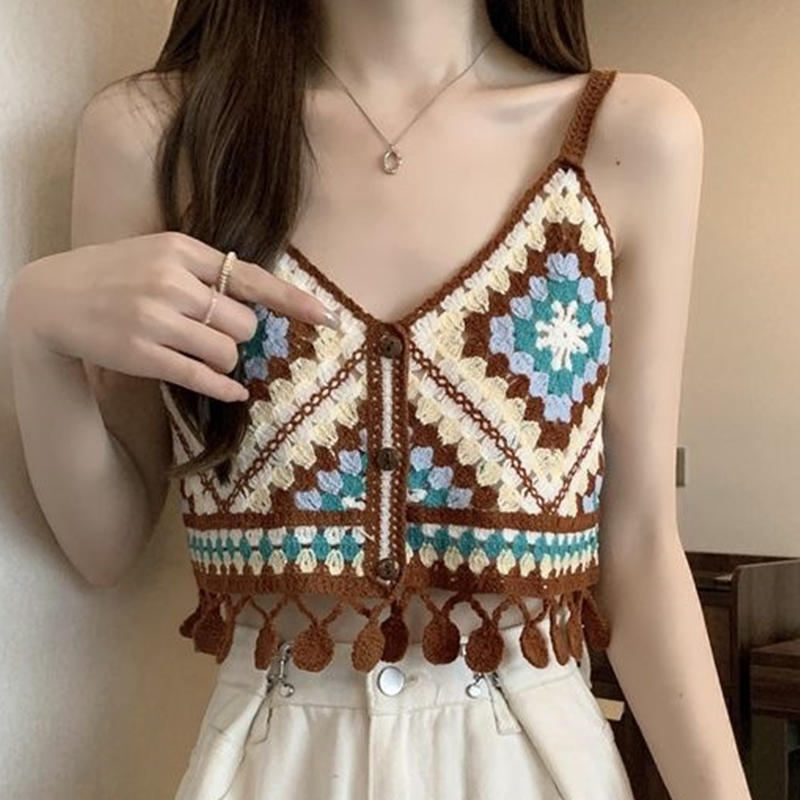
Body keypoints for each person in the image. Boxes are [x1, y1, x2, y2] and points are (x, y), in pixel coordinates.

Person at [5, 1, 754, 799]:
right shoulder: (157, 134)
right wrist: (33, 327)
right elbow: (105, 545)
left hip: (535, 764)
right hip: (273, 765)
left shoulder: (629, 135)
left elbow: (638, 545)